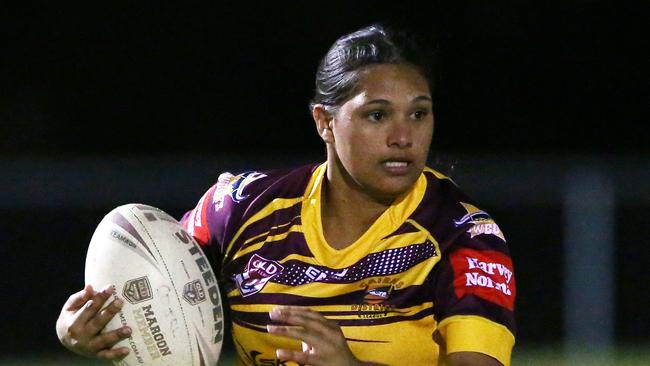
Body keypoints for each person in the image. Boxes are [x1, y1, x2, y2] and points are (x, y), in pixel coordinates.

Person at [56, 24, 516, 365]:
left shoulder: (463, 235)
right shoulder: (241, 208)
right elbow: (157, 283)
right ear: (324, 122)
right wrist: (82, 327)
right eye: (377, 116)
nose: (403, 136)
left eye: (419, 114)